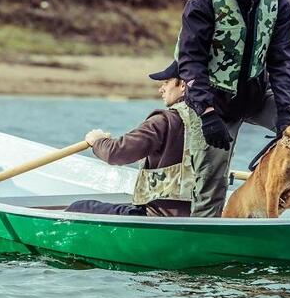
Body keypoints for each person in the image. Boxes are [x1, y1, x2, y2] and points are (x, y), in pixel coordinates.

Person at [175, 0, 290, 217]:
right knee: (210, 184)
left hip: (257, 95)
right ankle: (205, 239)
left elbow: (283, 61)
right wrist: (206, 113)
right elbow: (191, 61)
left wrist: (285, 113)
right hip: (214, 103)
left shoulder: (280, 1)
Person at [66, 61, 205, 217]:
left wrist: (97, 141)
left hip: (159, 216)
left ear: (183, 85)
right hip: (201, 214)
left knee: (79, 207)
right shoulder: (213, 123)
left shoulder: (165, 121)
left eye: (166, 82)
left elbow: (116, 153)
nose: (161, 89)